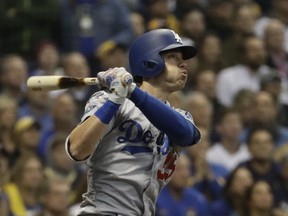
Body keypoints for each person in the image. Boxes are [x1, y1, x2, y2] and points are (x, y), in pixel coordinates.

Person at [65, 28, 201, 216]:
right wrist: (115, 99)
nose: (183, 64)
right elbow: (77, 149)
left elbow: (186, 135)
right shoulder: (111, 101)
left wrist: (131, 91)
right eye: (173, 57)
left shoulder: (179, 116)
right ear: (150, 61)